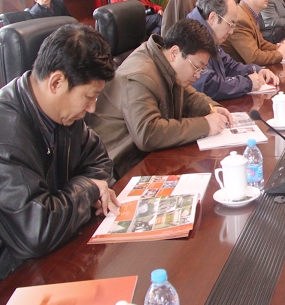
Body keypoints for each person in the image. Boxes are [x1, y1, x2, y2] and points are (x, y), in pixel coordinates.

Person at [0, 24, 118, 278]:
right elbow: (36, 231)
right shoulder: (6, 133)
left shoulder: (64, 114)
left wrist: (77, 196)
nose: (92, 108)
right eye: (89, 96)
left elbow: (99, 159)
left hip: (61, 250)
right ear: (56, 82)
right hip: (14, 277)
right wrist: (88, 190)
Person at [86, 19, 233, 178]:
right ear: (175, 53)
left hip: (146, 158)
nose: (197, 76)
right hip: (120, 168)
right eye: (196, 67)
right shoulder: (141, 76)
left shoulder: (164, 62)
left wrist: (211, 108)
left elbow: (188, 95)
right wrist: (205, 125)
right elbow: (148, 133)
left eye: (202, 70)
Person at [187, 0, 280, 100]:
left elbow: (229, 66)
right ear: (213, 18)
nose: (231, 32)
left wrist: (257, 70)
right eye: (230, 24)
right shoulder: (192, 36)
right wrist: (248, 83)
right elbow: (208, 86)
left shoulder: (210, 35)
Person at [221, 0, 285, 66]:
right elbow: (253, 58)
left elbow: (260, 43)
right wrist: (279, 54)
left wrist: (278, 47)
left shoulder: (249, 13)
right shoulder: (240, 19)